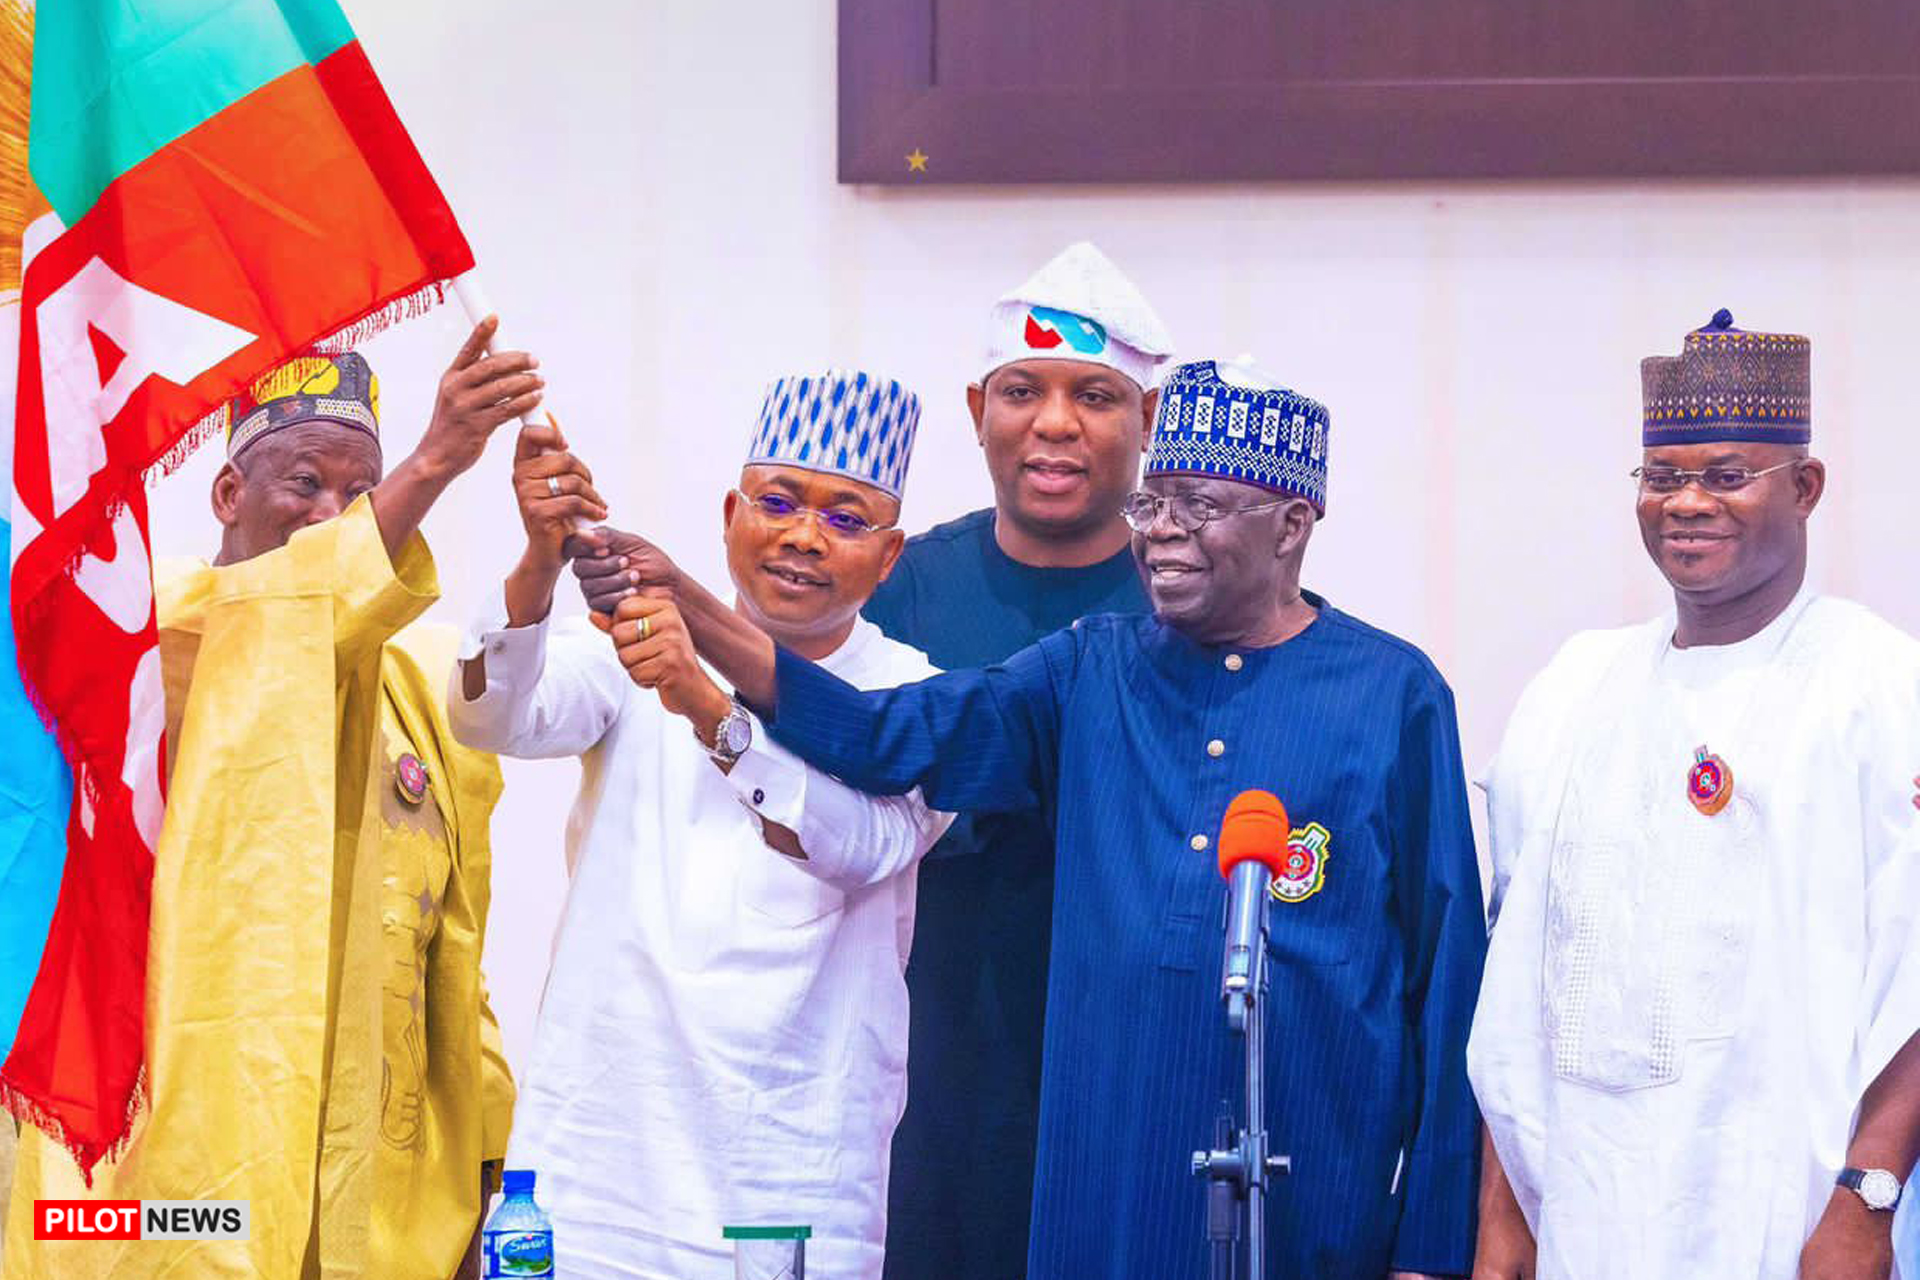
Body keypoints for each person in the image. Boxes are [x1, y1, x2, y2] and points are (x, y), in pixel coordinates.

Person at [588, 357, 1485, 1280]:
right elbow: (883, 734)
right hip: (1108, 1187)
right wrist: (694, 605)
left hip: (1317, 1186)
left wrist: (1432, 1246)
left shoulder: (1394, 694)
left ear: (1294, 524)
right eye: (1153, 505)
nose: (1164, 534)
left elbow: (1449, 975)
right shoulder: (1087, 669)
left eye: (1201, 508)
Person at [6, 325, 531, 1279]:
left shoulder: (412, 697)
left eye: (359, 491)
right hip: (164, 1200)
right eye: (304, 482)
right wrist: (434, 463)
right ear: (227, 493)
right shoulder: (158, 652)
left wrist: (488, 1165)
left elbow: (450, 960)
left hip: (374, 1215)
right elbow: (289, 616)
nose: (335, 513)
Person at [448, 370, 953, 1280]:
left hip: (789, 1167)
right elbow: (489, 719)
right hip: (600, 1156)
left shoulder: (915, 696)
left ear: (889, 556)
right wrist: (538, 560)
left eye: (846, 518)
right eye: (780, 502)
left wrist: (701, 702)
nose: (803, 536)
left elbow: (860, 846)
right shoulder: (629, 639)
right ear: (731, 514)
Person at [1468, 310, 1920, 1280]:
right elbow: (1518, 982)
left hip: (1789, 1210)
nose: (1686, 503)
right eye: (1662, 476)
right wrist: (1501, 1219)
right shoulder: (1572, 687)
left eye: (1725, 475)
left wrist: (1867, 1197)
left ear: (1804, 487)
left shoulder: (1881, 682)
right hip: (1590, 1209)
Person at [858, 241, 1168, 1280]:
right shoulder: (901, 587)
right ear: (974, 408)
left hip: (1132, 1069)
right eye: (1021, 389)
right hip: (927, 1065)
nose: (1055, 423)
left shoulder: (1193, 601)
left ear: (1149, 419)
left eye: (1096, 394)